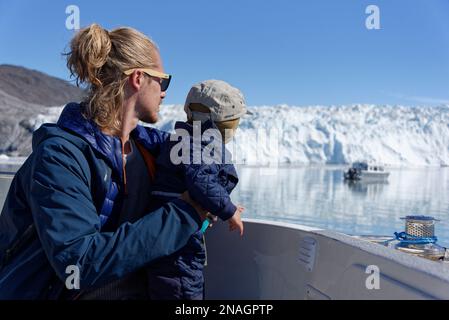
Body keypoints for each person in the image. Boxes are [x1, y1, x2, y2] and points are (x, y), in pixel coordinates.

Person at [0, 23, 206, 300]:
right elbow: (78, 264)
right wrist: (187, 214)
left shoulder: (148, 148)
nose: (165, 92)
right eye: (163, 80)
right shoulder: (60, 157)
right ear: (138, 78)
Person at [145, 79, 250, 300]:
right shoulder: (199, 145)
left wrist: (226, 205)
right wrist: (228, 210)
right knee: (186, 293)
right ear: (221, 124)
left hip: (169, 240)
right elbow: (200, 180)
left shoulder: (185, 142)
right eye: (234, 123)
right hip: (178, 248)